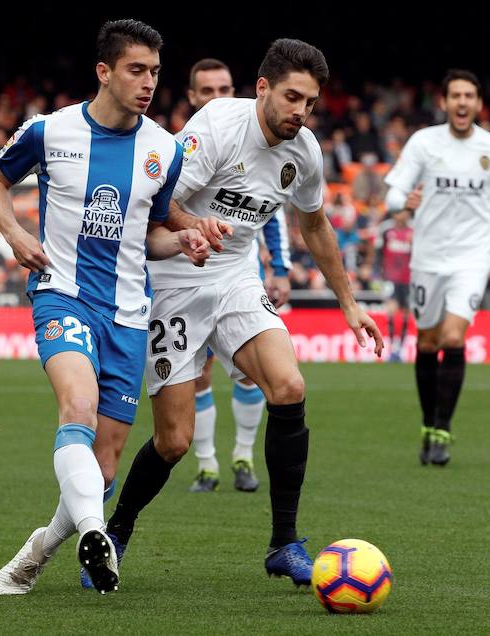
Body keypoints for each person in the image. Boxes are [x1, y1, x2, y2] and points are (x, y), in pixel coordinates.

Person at [101, 38, 383, 589]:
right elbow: (157, 203)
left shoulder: (304, 151)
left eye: (310, 103)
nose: (300, 112)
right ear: (263, 89)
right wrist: (193, 228)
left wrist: (349, 303)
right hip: (174, 279)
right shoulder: (218, 127)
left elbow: (315, 224)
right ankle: (118, 529)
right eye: (291, 98)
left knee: (289, 386)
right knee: (174, 441)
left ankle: (283, 543)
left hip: (234, 277)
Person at [0, 19, 208, 595]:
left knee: (104, 467)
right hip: (63, 295)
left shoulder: (163, 149)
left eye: (155, 72)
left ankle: (37, 551)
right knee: (76, 407)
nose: (148, 82)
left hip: (131, 316)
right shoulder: (49, 131)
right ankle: (94, 533)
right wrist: (14, 235)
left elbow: (149, 232)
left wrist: (179, 240)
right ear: (104, 72)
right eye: (136, 70)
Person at [384, 69, 490, 467]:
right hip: (428, 256)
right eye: (455, 96)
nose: (462, 102)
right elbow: (395, 190)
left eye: (469, 96)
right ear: (444, 102)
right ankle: (428, 424)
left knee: (452, 338)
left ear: (479, 103)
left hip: (472, 255)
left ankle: (443, 429)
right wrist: (402, 204)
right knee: (427, 343)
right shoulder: (424, 143)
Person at [179, 58, 292, 495]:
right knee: (199, 376)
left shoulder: (262, 144)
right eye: (206, 91)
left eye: (224, 88)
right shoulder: (186, 144)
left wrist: (279, 268)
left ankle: (243, 456)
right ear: (192, 97)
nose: (216, 98)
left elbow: (271, 211)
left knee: (248, 374)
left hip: (239, 271)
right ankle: (206, 465)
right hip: (186, 274)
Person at [372, 207, 413, 362]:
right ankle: (390, 347)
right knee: (391, 311)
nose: (400, 215)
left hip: (408, 280)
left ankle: (399, 349)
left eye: (403, 211)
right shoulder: (386, 229)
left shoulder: (413, 230)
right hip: (390, 278)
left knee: (406, 315)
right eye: (397, 211)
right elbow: (377, 253)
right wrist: (376, 274)